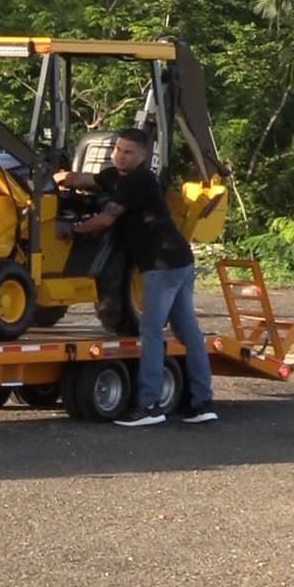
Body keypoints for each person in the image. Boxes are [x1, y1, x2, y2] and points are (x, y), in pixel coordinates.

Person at [53, 128, 217, 426]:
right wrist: (57, 178)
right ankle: (202, 404)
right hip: (179, 261)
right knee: (188, 333)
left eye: (128, 152)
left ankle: (149, 406)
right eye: (117, 149)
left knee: (152, 333)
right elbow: (87, 180)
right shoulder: (116, 176)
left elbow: (106, 218)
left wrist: (73, 229)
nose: (120, 155)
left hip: (162, 264)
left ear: (143, 157)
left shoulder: (140, 181)